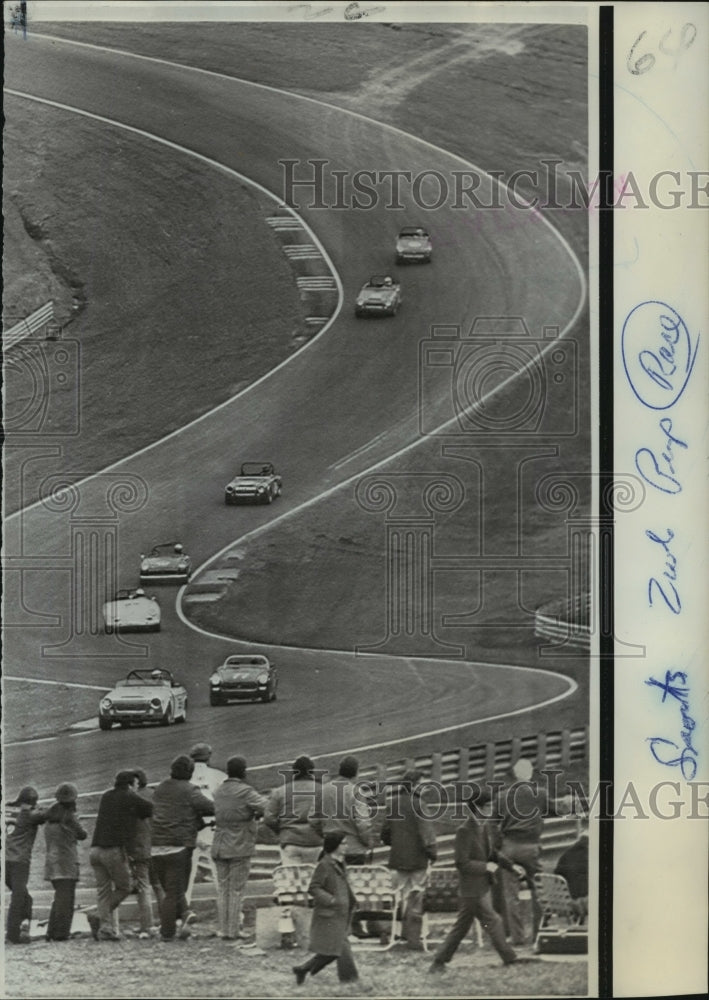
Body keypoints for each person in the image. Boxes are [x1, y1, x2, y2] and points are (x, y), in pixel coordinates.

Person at [429, 799, 527, 973]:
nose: (491, 809)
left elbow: (493, 854)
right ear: (478, 808)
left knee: (462, 927)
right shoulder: (464, 831)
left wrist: (511, 866)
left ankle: (439, 961)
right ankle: (510, 958)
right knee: (493, 921)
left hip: (479, 886)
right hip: (472, 888)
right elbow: (461, 863)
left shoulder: (483, 827)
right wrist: (485, 867)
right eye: (488, 806)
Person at [492, 758, 571, 946]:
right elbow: (557, 810)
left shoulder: (502, 796)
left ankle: (517, 937)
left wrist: (497, 846)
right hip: (530, 846)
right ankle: (538, 932)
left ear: (514, 775)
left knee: (510, 895)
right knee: (538, 890)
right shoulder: (540, 794)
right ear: (530, 774)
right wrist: (568, 802)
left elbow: (492, 822)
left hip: (508, 846)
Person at [151, 754, 215, 942]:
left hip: (156, 845)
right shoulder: (190, 789)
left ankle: (185, 915)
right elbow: (209, 806)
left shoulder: (161, 788)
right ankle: (168, 931)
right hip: (179, 845)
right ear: (189, 772)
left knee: (170, 890)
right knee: (174, 891)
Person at [264, 755, 323, 949]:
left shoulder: (280, 791)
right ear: (312, 772)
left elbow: (269, 818)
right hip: (315, 842)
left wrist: (281, 831)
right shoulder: (322, 791)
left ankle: (291, 930)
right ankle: (313, 928)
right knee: (314, 885)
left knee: (291, 886)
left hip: (290, 841)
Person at [89, 770, 153, 941]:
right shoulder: (129, 796)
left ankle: (106, 929)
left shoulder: (106, 796)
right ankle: (97, 914)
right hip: (113, 849)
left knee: (103, 890)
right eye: (136, 785)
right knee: (126, 887)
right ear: (131, 784)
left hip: (95, 849)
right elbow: (148, 808)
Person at [211, 756, 268, 940]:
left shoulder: (219, 791)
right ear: (243, 771)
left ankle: (224, 928)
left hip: (220, 841)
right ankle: (234, 930)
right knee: (236, 890)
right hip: (239, 843)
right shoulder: (245, 791)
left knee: (223, 888)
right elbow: (267, 807)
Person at [292, 832, 360, 987]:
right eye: (343, 843)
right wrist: (331, 900)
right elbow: (314, 888)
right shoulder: (325, 865)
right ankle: (350, 980)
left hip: (341, 913)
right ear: (335, 846)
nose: (346, 846)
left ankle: (302, 969)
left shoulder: (340, 863)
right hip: (331, 914)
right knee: (341, 947)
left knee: (332, 951)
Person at [380, 769, 437, 951]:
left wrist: (396, 843)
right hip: (418, 859)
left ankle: (390, 932)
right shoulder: (420, 804)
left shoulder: (393, 804)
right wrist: (432, 853)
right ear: (414, 785)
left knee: (396, 897)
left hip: (397, 858)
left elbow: (385, 833)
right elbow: (426, 834)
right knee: (416, 897)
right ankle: (414, 937)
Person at [43, 783, 88, 941]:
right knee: (66, 899)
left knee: (59, 897)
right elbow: (83, 834)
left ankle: (52, 931)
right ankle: (61, 933)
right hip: (67, 861)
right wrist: (78, 820)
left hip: (52, 862)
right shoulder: (69, 817)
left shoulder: (49, 817)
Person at [5, 786, 46, 944]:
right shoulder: (30, 815)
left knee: (24, 897)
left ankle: (24, 927)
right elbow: (48, 814)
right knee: (19, 898)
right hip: (19, 862)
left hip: (5, 859)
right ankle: (13, 934)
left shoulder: (10, 809)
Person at [186, 743, 227, 902]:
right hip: (212, 828)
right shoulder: (219, 775)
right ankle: (228, 913)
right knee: (220, 875)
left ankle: (183, 914)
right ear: (209, 757)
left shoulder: (184, 777)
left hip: (190, 829)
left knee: (187, 877)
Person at [127, 768, 162, 938]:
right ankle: (166, 920)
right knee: (159, 885)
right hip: (158, 844)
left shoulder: (133, 799)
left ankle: (147, 926)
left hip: (140, 847)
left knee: (143, 887)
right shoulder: (155, 794)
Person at [554, 820, 589, 919]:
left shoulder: (566, 855)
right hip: (585, 903)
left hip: (567, 902)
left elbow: (557, 875)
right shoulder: (591, 855)